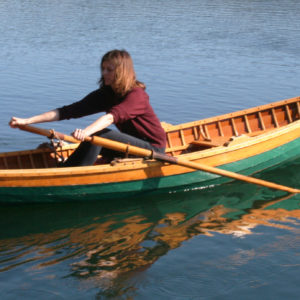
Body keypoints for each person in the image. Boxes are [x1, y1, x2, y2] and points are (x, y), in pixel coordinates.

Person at [9, 49, 166, 167]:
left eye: (109, 70)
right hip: (128, 148)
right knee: (94, 139)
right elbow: (68, 111)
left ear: (121, 71)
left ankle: (71, 173)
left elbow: (110, 117)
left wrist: (86, 132)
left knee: (99, 135)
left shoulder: (136, 95)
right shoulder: (107, 94)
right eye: (103, 69)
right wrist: (28, 120)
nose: (104, 73)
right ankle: (71, 168)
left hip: (153, 150)